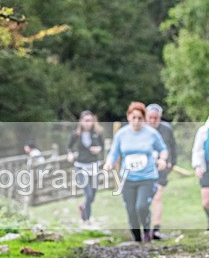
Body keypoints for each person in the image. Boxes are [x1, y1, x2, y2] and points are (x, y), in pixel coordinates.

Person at [104, 102, 168, 242]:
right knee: (131, 209)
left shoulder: (151, 133)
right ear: (128, 117)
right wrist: (109, 163)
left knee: (142, 206)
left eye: (140, 118)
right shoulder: (121, 134)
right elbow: (114, 153)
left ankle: (146, 230)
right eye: (134, 117)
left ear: (144, 118)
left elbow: (163, 149)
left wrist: (162, 160)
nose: (137, 121)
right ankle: (136, 236)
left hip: (147, 177)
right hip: (128, 178)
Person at [145, 104, 177, 239]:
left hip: (160, 167)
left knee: (157, 196)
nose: (153, 120)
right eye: (150, 117)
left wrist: (172, 163)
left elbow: (173, 147)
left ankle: (156, 229)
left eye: (155, 118)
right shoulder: (140, 129)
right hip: (143, 169)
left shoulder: (166, 129)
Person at [67, 110, 104, 224]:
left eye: (91, 121)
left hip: (93, 165)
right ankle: (87, 219)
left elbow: (102, 146)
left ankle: (83, 206)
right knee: (87, 193)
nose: (88, 123)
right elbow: (68, 147)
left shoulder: (98, 133)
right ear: (81, 121)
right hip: (80, 166)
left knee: (93, 194)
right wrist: (70, 154)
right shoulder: (76, 134)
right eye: (86, 121)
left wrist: (98, 149)